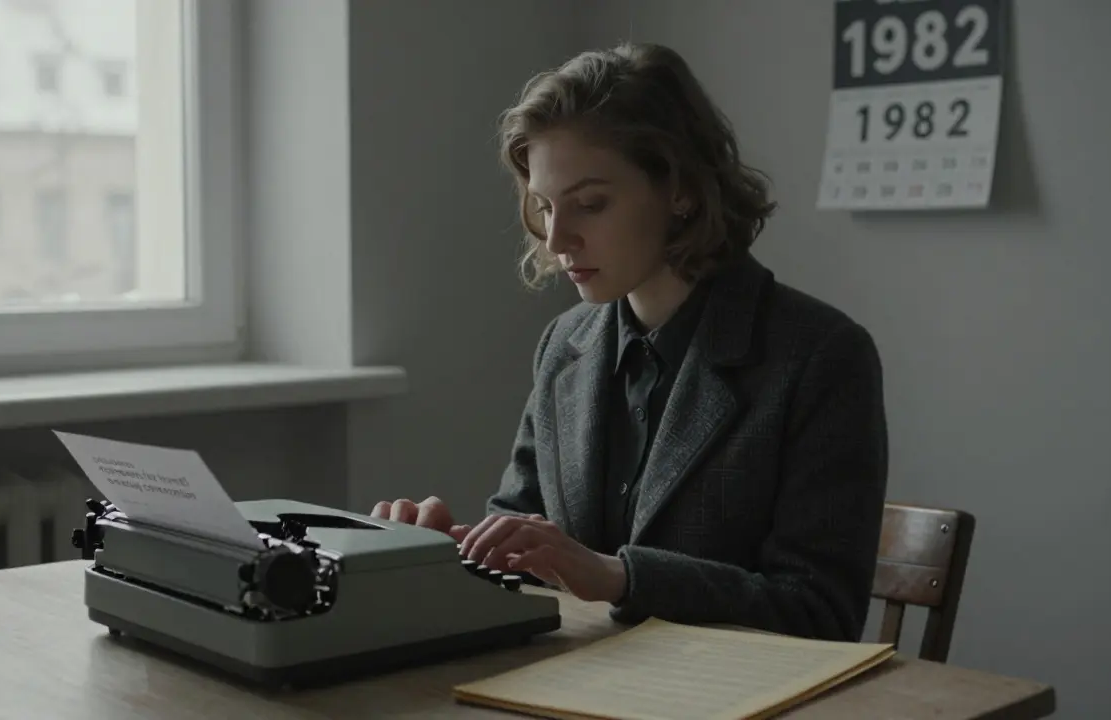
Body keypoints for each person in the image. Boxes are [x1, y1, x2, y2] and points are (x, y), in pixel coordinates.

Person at [371, 42, 888, 642]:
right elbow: (524, 535)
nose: (559, 237)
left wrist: (619, 576)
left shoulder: (821, 355)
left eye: (591, 203)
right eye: (544, 205)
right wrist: (442, 552)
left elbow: (820, 613)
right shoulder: (564, 344)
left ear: (681, 189)